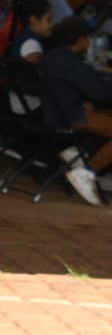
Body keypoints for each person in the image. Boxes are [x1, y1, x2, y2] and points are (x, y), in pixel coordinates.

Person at [41, 15, 112, 205]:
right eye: (88, 38)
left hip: (53, 112)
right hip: (70, 117)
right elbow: (99, 92)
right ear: (81, 39)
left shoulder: (53, 56)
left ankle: (80, 158)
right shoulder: (69, 63)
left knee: (106, 116)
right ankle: (89, 170)